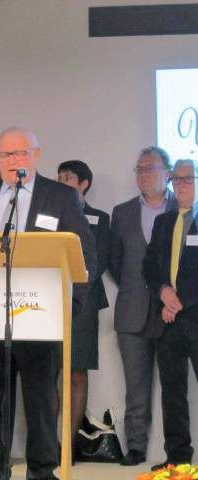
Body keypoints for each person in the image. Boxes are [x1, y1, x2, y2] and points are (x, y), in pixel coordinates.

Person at [0, 127, 96, 480]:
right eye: (6, 155)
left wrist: (69, 308)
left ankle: (42, 472)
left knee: (41, 403)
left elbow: (85, 253)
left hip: (42, 318)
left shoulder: (61, 196)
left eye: (21, 153)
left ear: (36, 155)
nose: (13, 160)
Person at [109, 146, 177, 466]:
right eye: (139, 169)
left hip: (175, 311)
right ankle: (135, 446)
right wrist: (136, 288)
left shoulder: (184, 208)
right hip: (132, 310)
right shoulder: (122, 212)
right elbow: (115, 261)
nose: (143, 174)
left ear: (168, 173)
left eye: (150, 168)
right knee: (135, 385)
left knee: (175, 385)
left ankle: (177, 451)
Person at [143, 159, 198, 470]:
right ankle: (178, 459)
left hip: (192, 315)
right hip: (167, 321)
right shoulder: (163, 222)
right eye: (176, 179)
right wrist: (164, 292)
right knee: (173, 393)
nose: (181, 184)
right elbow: (149, 266)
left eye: (188, 178)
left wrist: (178, 302)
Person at [57, 160, 110, 457]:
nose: (62, 182)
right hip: (49, 298)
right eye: (60, 177)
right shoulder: (48, 216)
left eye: (68, 177)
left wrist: (75, 286)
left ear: (84, 183)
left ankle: (69, 445)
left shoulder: (99, 218)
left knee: (77, 371)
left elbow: (99, 259)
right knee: (49, 370)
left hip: (85, 301)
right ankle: (48, 444)